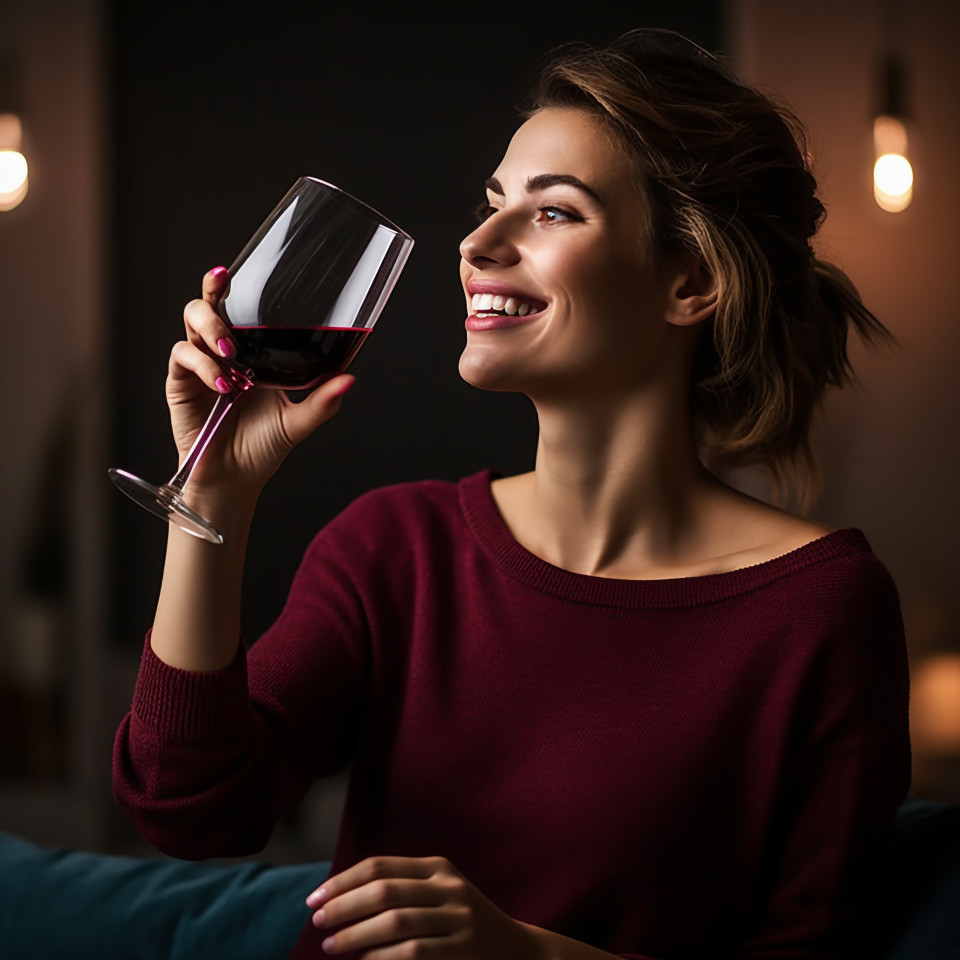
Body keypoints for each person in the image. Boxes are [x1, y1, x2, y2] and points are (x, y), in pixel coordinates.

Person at [113, 28, 912, 960]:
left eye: (555, 213)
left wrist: (530, 956)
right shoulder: (395, 548)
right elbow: (188, 810)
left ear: (690, 284)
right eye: (493, 202)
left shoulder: (821, 611)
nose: (478, 243)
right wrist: (214, 501)